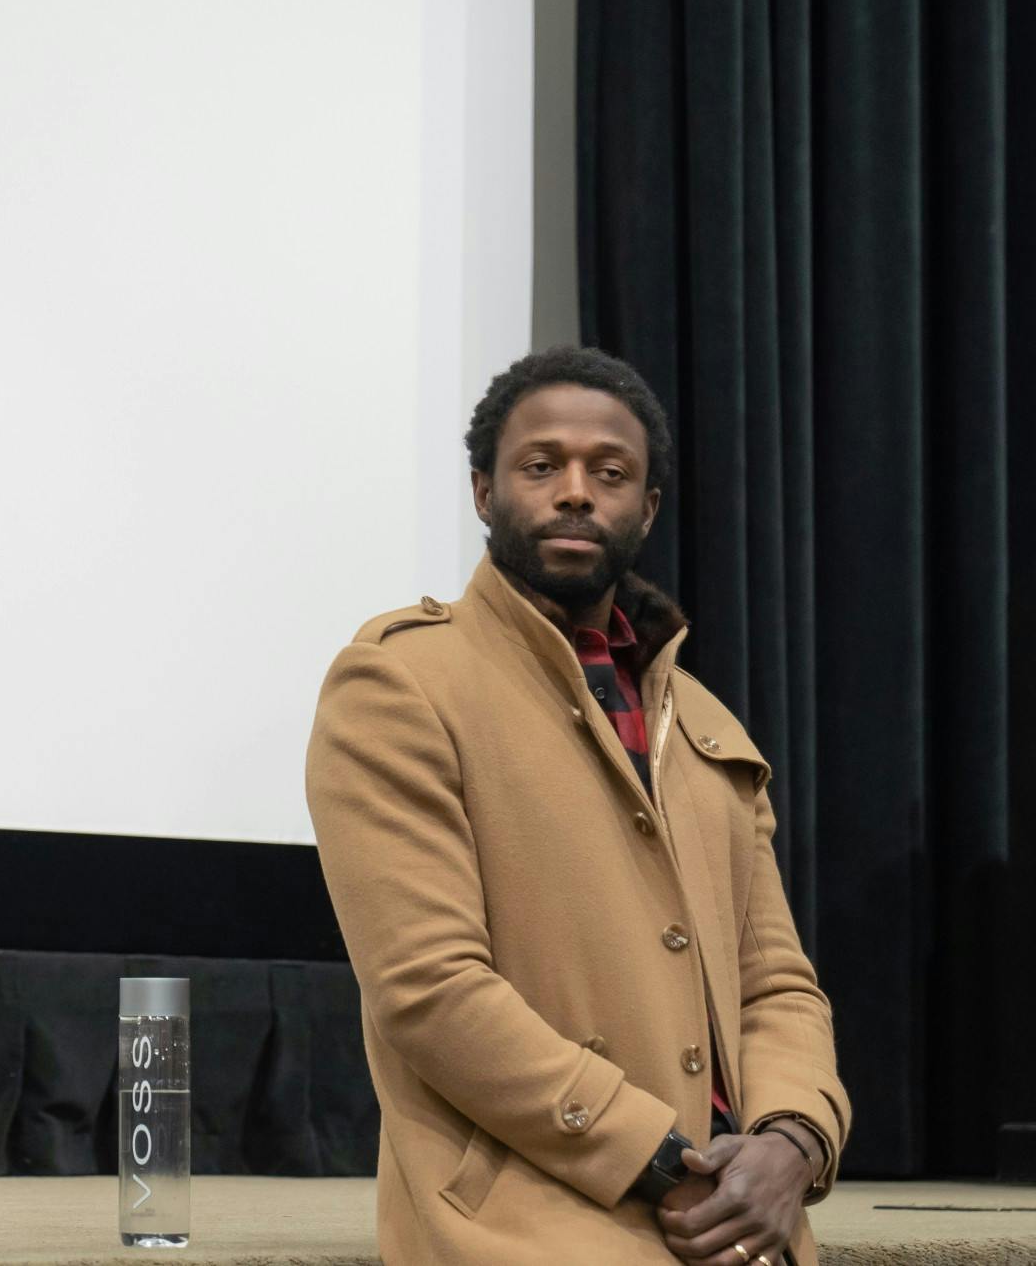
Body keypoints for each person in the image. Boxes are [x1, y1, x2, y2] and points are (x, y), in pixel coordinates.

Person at [306, 346, 849, 1265]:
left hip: (743, 1230)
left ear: (648, 507)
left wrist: (792, 1142)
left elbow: (777, 986)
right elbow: (431, 990)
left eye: (610, 471)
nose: (574, 491)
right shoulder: (400, 683)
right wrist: (660, 1157)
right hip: (527, 1228)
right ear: (483, 491)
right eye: (540, 464)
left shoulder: (705, 725)